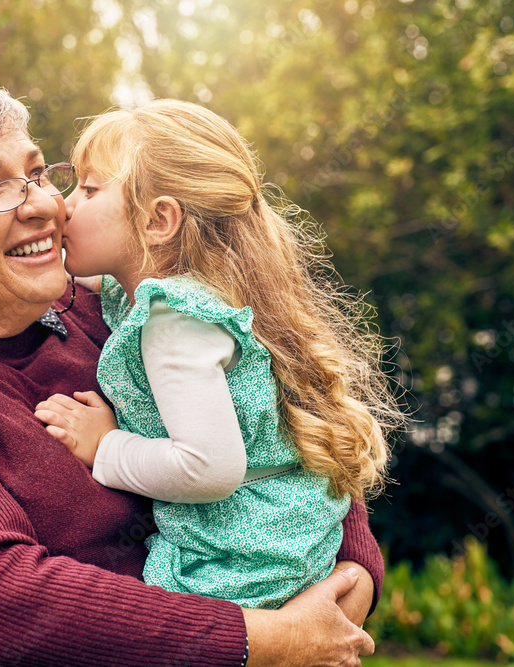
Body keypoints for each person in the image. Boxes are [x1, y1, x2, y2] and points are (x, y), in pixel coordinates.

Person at [0, 71, 383, 667]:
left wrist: (352, 576)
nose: (42, 203)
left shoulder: (120, 312)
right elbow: (6, 604)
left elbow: (279, 429)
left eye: (35, 172)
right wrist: (269, 640)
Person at [34, 100, 404, 612]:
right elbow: (92, 279)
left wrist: (105, 448)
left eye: (90, 189)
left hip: (237, 562)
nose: (64, 205)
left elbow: (209, 468)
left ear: (159, 220)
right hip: (286, 541)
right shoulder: (202, 291)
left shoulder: (175, 323)